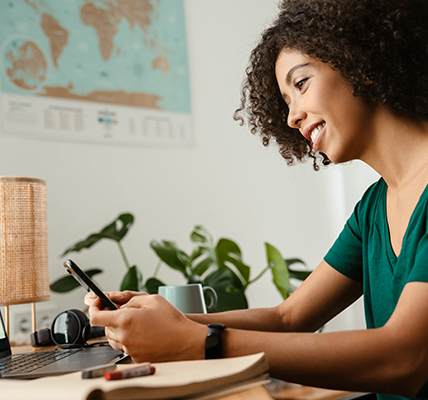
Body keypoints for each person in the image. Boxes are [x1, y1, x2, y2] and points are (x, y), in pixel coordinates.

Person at [84, 0, 428, 398]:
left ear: (362, 59)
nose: (291, 117)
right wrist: (161, 320)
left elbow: (405, 358)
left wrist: (199, 343)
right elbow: (288, 317)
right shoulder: (373, 209)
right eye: (285, 102)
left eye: (301, 85)